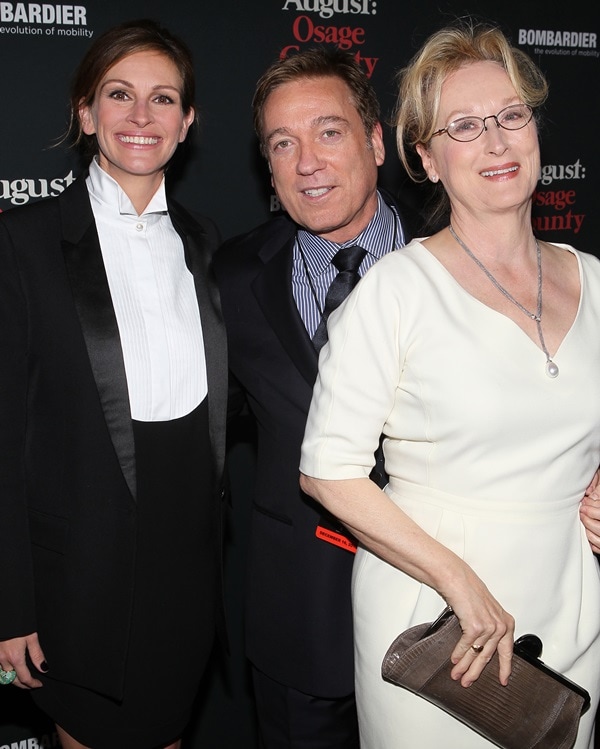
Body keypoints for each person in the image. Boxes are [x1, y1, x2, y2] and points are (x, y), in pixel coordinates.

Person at [299, 20, 600, 749]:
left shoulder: (594, 280)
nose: (495, 142)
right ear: (428, 159)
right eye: (463, 127)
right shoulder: (396, 291)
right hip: (436, 623)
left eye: (509, 116)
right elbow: (326, 470)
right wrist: (458, 582)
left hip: (570, 607)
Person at [0, 19, 227, 749]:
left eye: (163, 99)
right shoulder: (23, 242)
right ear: (86, 111)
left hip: (186, 574)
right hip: (78, 583)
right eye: (119, 95)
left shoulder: (206, 243)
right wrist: (9, 606)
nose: (140, 116)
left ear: (186, 122)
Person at [213, 48, 410, 748]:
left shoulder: (456, 262)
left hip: (446, 612)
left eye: (328, 132)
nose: (306, 163)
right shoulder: (232, 276)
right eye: (282, 144)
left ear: (376, 141)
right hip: (298, 616)